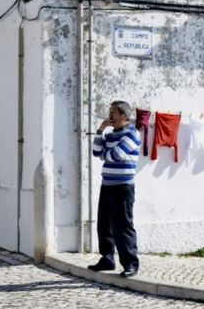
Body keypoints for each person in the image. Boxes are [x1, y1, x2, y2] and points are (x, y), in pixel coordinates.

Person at [88, 100, 142, 277]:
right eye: (109, 111)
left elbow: (115, 155)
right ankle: (107, 259)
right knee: (104, 224)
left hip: (123, 186)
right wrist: (100, 130)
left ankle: (130, 263)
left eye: (113, 112)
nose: (109, 114)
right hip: (107, 185)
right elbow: (96, 152)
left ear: (124, 115)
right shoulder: (110, 135)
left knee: (123, 225)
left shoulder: (132, 134)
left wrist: (105, 155)